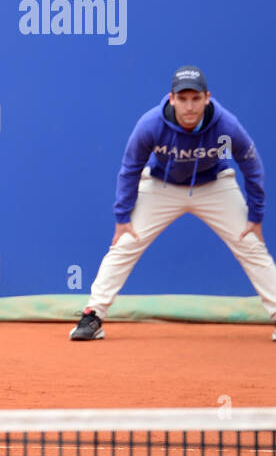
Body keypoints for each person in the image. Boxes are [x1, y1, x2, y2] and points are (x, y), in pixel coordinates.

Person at [70, 65, 276, 341]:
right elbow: (130, 168)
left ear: (207, 97)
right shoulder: (151, 124)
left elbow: (251, 166)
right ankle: (92, 315)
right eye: (183, 99)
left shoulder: (226, 125)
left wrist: (256, 217)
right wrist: (122, 219)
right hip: (161, 186)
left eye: (195, 99)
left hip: (215, 185)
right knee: (125, 243)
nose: (189, 106)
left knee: (250, 244)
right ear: (171, 99)